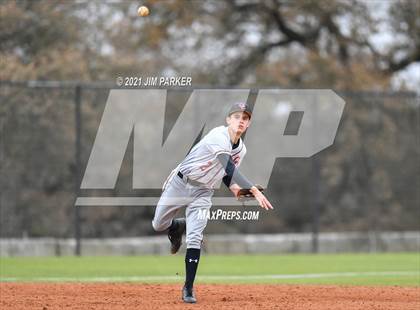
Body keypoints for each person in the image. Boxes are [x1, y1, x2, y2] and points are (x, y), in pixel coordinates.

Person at [152, 102, 274, 303]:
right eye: (236, 117)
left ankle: (188, 288)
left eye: (245, 118)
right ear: (228, 120)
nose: (240, 121)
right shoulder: (218, 135)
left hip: (204, 191)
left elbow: (225, 173)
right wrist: (252, 189)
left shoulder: (241, 150)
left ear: (249, 124)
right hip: (181, 183)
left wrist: (236, 190)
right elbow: (227, 164)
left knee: (194, 238)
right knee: (158, 224)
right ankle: (177, 225)